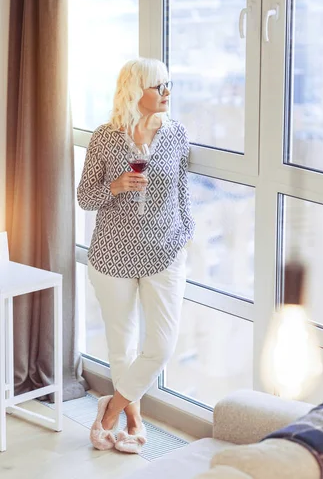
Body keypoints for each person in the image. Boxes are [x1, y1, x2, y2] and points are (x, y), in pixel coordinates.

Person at [77, 58, 195, 454]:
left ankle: (108, 412)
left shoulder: (177, 134)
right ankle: (134, 422)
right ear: (135, 90)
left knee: (161, 345)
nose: (167, 93)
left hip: (165, 251)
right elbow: (84, 197)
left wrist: (185, 236)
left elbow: (181, 191)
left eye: (168, 85)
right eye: (159, 86)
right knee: (121, 348)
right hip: (112, 254)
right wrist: (116, 186)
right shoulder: (105, 138)